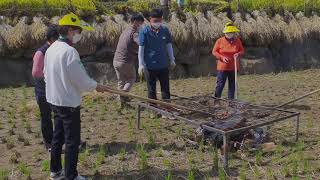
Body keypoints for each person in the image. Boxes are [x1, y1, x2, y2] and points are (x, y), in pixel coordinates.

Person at [44, 13, 105, 180]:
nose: (79, 34)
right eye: (78, 31)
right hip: (68, 102)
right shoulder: (70, 52)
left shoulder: (51, 49)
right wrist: (95, 86)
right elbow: (81, 79)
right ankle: (71, 175)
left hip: (54, 100)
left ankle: (55, 171)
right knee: (72, 140)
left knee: (58, 136)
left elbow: (45, 74)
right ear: (70, 30)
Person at [138, 8, 176, 101]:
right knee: (151, 90)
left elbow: (169, 45)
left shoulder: (165, 30)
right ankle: (154, 110)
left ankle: (167, 109)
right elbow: (141, 48)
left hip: (163, 65)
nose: (157, 23)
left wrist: (172, 59)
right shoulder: (144, 32)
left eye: (159, 21)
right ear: (150, 19)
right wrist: (141, 64)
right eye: (155, 21)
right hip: (150, 66)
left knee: (165, 89)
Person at [32, 25, 59, 151]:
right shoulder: (40, 53)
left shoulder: (56, 50)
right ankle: (49, 143)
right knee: (46, 117)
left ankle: (63, 139)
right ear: (52, 39)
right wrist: (51, 75)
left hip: (55, 89)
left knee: (60, 115)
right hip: (43, 91)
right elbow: (36, 73)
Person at [113, 14, 144, 107]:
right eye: (141, 23)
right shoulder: (134, 33)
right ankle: (122, 95)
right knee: (131, 78)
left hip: (116, 61)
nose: (141, 25)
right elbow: (140, 43)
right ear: (135, 22)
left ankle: (122, 103)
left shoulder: (125, 31)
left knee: (121, 81)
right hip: (125, 61)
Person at [212, 22, 244, 99]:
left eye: (231, 33)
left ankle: (231, 102)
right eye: (228, 33)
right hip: (222, 67)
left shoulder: (238, 40)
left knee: (232, 85)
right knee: (220, 84)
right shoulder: (219, 41)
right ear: (225, 32)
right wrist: (222, 58)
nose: (229, 34)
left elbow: (242, 51)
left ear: (234, 33)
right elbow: (214, 52)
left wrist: (238, 54)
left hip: (233, 67)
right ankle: (216, 99)